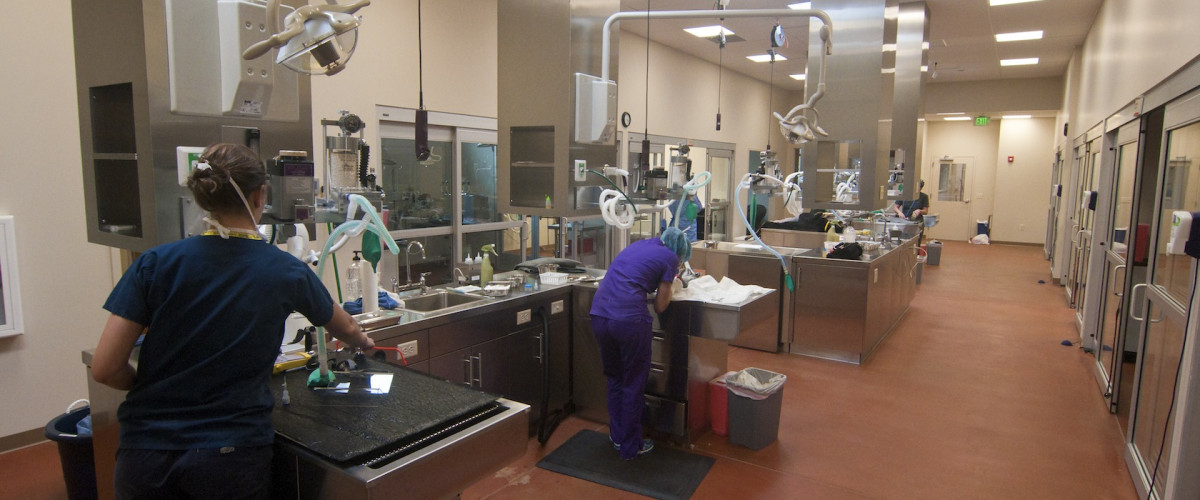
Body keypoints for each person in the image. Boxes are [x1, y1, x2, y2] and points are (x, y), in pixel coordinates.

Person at [90, 143, 374, 499]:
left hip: (146, 453)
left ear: (202, 198)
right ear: (260, 196)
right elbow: (345, 327)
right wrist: (363, 343)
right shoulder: (286, 271)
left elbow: (105, 368)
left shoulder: (155, 263)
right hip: (228, 454)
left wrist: (149, 387)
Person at [589, 227, 691, 460]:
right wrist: (671, 285)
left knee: (615, 379)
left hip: (599, 314)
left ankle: (617, 437)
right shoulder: (670, 258)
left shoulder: (640, 245)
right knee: (633, 384)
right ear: (680, 254)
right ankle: (631, 446)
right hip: (628, 321)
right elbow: (661, 306)